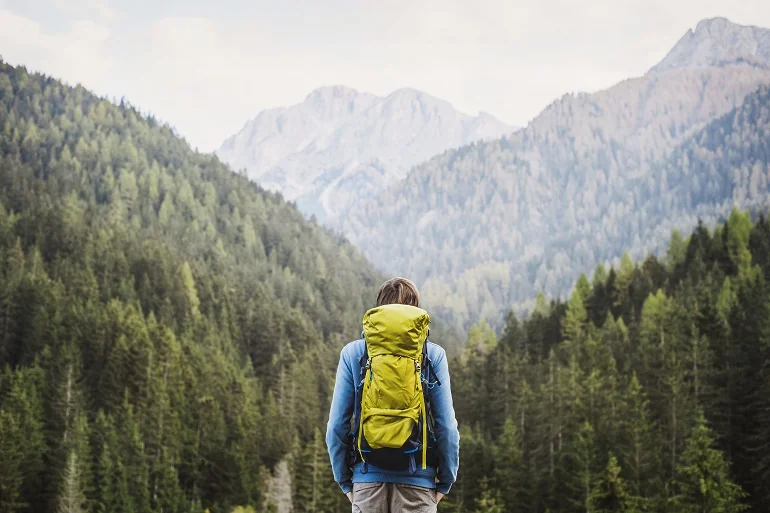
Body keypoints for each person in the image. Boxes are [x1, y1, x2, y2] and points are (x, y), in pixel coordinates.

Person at [326, 277, 460, 512]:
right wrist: (445, 481)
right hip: (418, 485)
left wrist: (345, 481)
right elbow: (447, 428)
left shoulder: (353, 353)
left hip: (366, 481)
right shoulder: (433, 355)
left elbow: (336, 427)